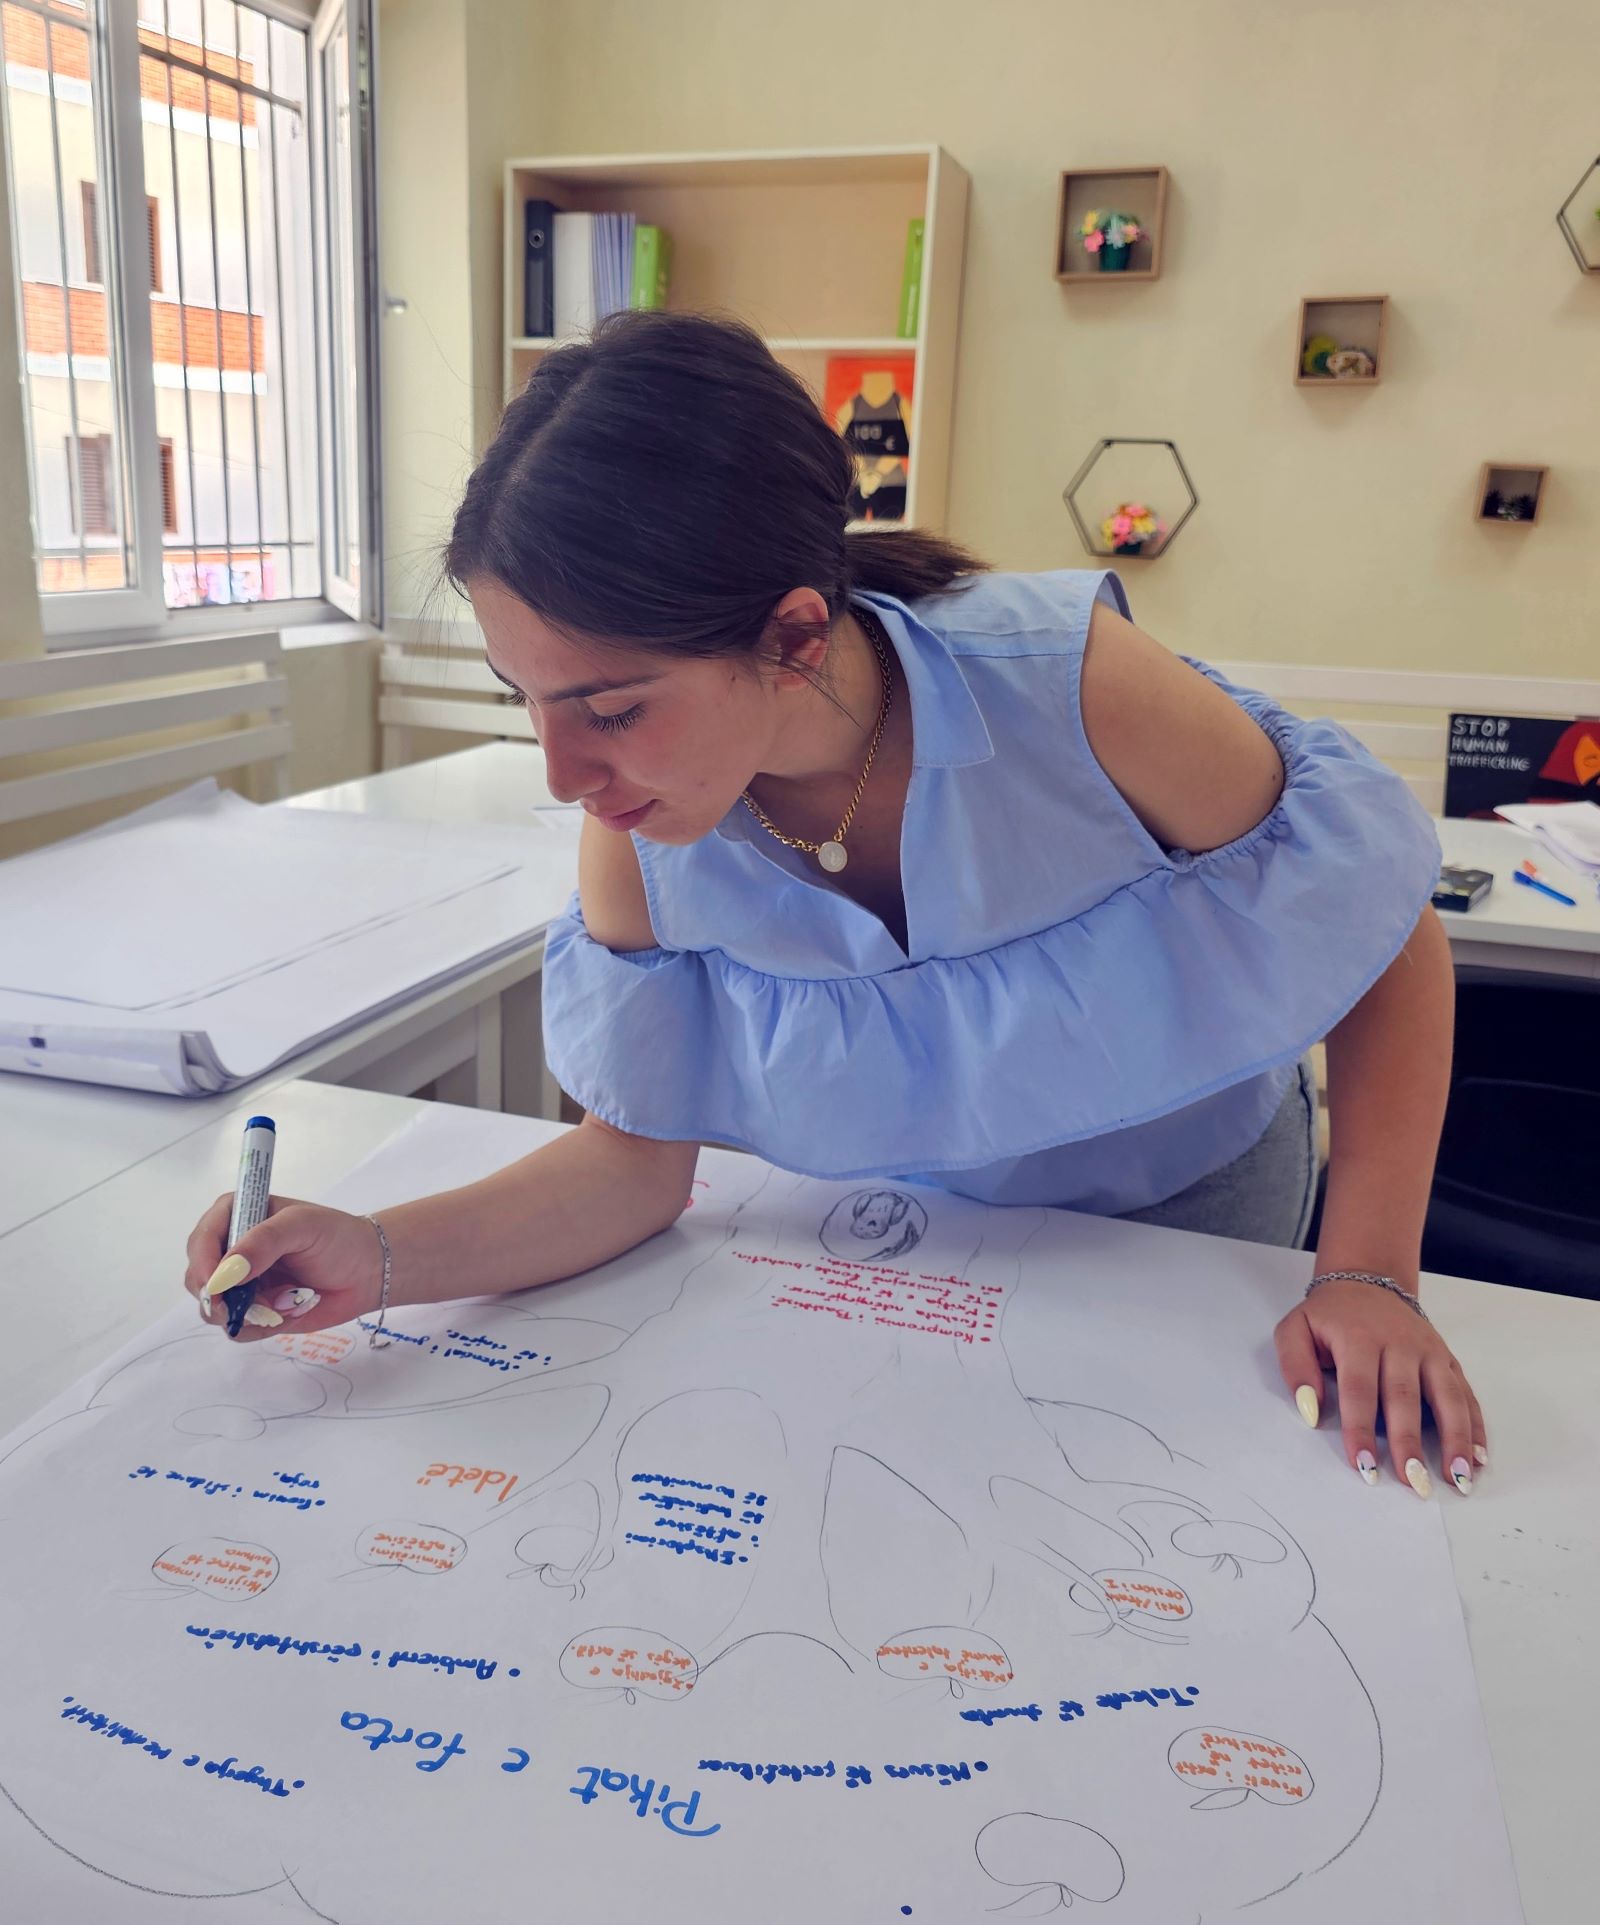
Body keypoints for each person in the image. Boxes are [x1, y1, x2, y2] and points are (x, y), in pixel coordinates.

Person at [186, 310, 1486, 1500]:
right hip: (911, 1246)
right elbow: (631, 1161)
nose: (562, 775)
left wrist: (1368, 1273)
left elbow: (1383, 942)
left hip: (1188, 1226)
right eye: (525, 700)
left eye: (613, 710)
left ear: (797, 637)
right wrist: (377, 1252)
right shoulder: (637, 835)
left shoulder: (1077, 690)